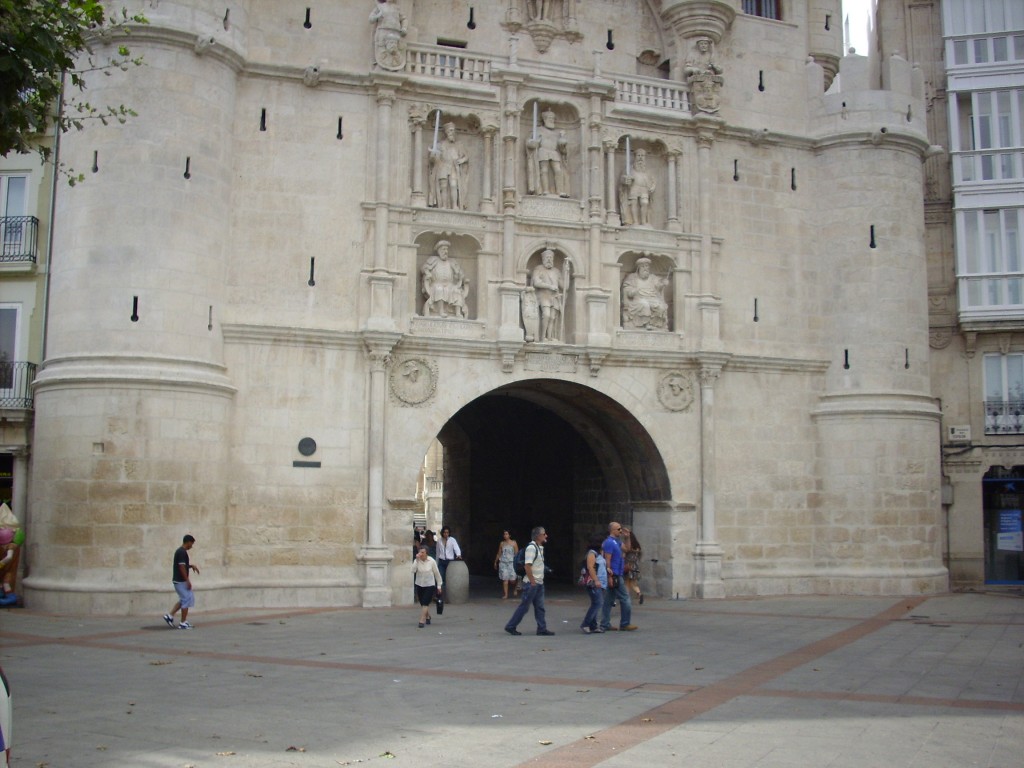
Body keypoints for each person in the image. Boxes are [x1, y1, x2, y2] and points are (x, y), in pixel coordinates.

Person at [504, 526, 554, 636]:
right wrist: (532, 581)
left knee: (540, 607)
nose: (546, 536)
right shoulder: (532, 548)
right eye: (544, 534)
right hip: (532, 583)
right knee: (524, 606)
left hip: (539, 582)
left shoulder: (540, 547)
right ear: (538, 536)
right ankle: (511, 626)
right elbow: (527, 565)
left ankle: (542, 628)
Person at [601, 522, 636, 631]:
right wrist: (609, 576)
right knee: (625, 598)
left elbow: (627, 549)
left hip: (618, 573)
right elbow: (607, 560)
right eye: (619, 529)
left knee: (608, 600)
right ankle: (625, 623)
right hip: (615, 574)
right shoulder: (609, 543)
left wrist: (628, 537)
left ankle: (605, 623)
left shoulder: (617, 541)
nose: (621, 531)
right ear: (612, 530)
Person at [526, 108, 569, 197]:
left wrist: (562, 138)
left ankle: (560, 191)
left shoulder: (557, 133)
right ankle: (545, 190)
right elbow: (528, 142)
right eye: (550, 118)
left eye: (553, 119)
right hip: (543, 151)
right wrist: (533, 142)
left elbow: (562, 147)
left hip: (554, 152)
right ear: (544, 119)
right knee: (544, 170)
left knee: (558, 170)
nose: (552, 120)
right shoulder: (537, 130)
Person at [421, 240, 469, 318]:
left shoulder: (452, 261)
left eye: (446, 249)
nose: (445, 252)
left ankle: (458, 313)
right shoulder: (433, 260)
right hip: (436, 283)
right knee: (439, 289)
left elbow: (461, 273)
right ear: (439, 251)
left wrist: (459, 275)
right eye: (443, 249)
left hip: (450, 284)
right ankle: (441, 311)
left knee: (456, 290)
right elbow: (423, 269)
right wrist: (428, 273)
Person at [429, 122, 468, 210]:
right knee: (443, 186)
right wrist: (432, 155)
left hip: (453, 167)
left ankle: (455, 206)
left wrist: (461, 160)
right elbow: (432, 160)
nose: (452, 132)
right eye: (450, 130)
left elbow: (466, 156)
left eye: (453, 130)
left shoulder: (458, 145)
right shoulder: (440, 144)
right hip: (442, 166)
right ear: (446, 132)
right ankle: (444, 206)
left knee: (454, 185)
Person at [621, 257, 669, 330]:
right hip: (637, 299)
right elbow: (627, 289)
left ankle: (654, 325)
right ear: (638, 268)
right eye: (643, 266)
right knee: (644, 304)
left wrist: (663, 283)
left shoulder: (653, 278)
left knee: (660, 307)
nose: (645, 269)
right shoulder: (632, 277)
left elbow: (659, 285)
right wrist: (634, 291)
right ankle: (644, 324)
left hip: (652, 298)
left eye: (647, 266)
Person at [163, 534, 200, 629]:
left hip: (179, 581)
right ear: (188, 542)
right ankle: (183, 622)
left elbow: (182, 565)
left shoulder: (181, 552)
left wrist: (191, 566)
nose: (192, 546)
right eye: (191, 543)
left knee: (184, 599)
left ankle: (170, 616)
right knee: (186, 600)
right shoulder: (182, 552)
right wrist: (187, 580)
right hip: (181, 581)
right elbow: (181, 567)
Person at [530, 249, 563, 342]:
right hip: (543, 296)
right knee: (547, 315)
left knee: (552, 318)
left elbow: (564, 286)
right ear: (543, 259)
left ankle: (549, 337)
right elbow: (536, 282)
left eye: (551, 258)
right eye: (547, 257)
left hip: (555, 297)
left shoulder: (556, 271)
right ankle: (542, 336)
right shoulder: (538, 269)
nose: (549, 259)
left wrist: (567, 272)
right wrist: (550, 286)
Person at [620, 148, 656, 226]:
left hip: (644, 188)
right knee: (633, 203)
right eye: (638, 155)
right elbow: (623, 178)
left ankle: (643, 222)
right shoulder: (629, 168)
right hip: (634, 187)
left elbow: (653, 180)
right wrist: (626, 179)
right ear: (635, 157)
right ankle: (635, 221)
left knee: (645, 203)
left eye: (642, 156)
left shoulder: (647, 170)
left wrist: (653, 186)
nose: (640, 157)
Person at [580, 534, 607, 634]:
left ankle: (593, 625)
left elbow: (601, 565)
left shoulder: (599, 553)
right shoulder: (591, 554)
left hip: (601, 581)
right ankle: (586, 623)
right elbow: (590, 568)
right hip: (593, 582)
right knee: (598, 603)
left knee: (596, 603)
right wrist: (596, 580)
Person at [412, 545, 443, 628]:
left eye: (423, 552)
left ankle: (422, 620)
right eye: (420, 552)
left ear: (426, 553)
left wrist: (439, 586)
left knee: (426, 602)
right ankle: (428, 616)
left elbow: (437, 573)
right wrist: (417, 560)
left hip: (429, 584)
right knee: (422, 603)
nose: (421, 554)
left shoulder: (431, 561)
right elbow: (413, 570)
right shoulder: (417, 560)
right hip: (419, 584)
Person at [493, 530, 519, 599]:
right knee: (505, 579)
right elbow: (499, 553)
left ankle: (516, 586)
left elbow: (517, 554)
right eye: (504, 534)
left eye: (506, 534)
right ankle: (506, 594)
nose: (505, 535)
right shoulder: (502, 543)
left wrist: (517, 563)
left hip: (511, 563)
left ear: (509, 535)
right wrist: (495, 562)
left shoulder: (514, 543)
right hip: (503, 563)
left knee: (512, 580)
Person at [622, 526, 644, 604]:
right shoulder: (637, 547)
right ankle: (639, 593)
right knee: (633, 583)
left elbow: (624, 556)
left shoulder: (628, 548)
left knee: (627, 583)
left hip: (628, 566)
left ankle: (626, 598)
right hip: (635, 566)